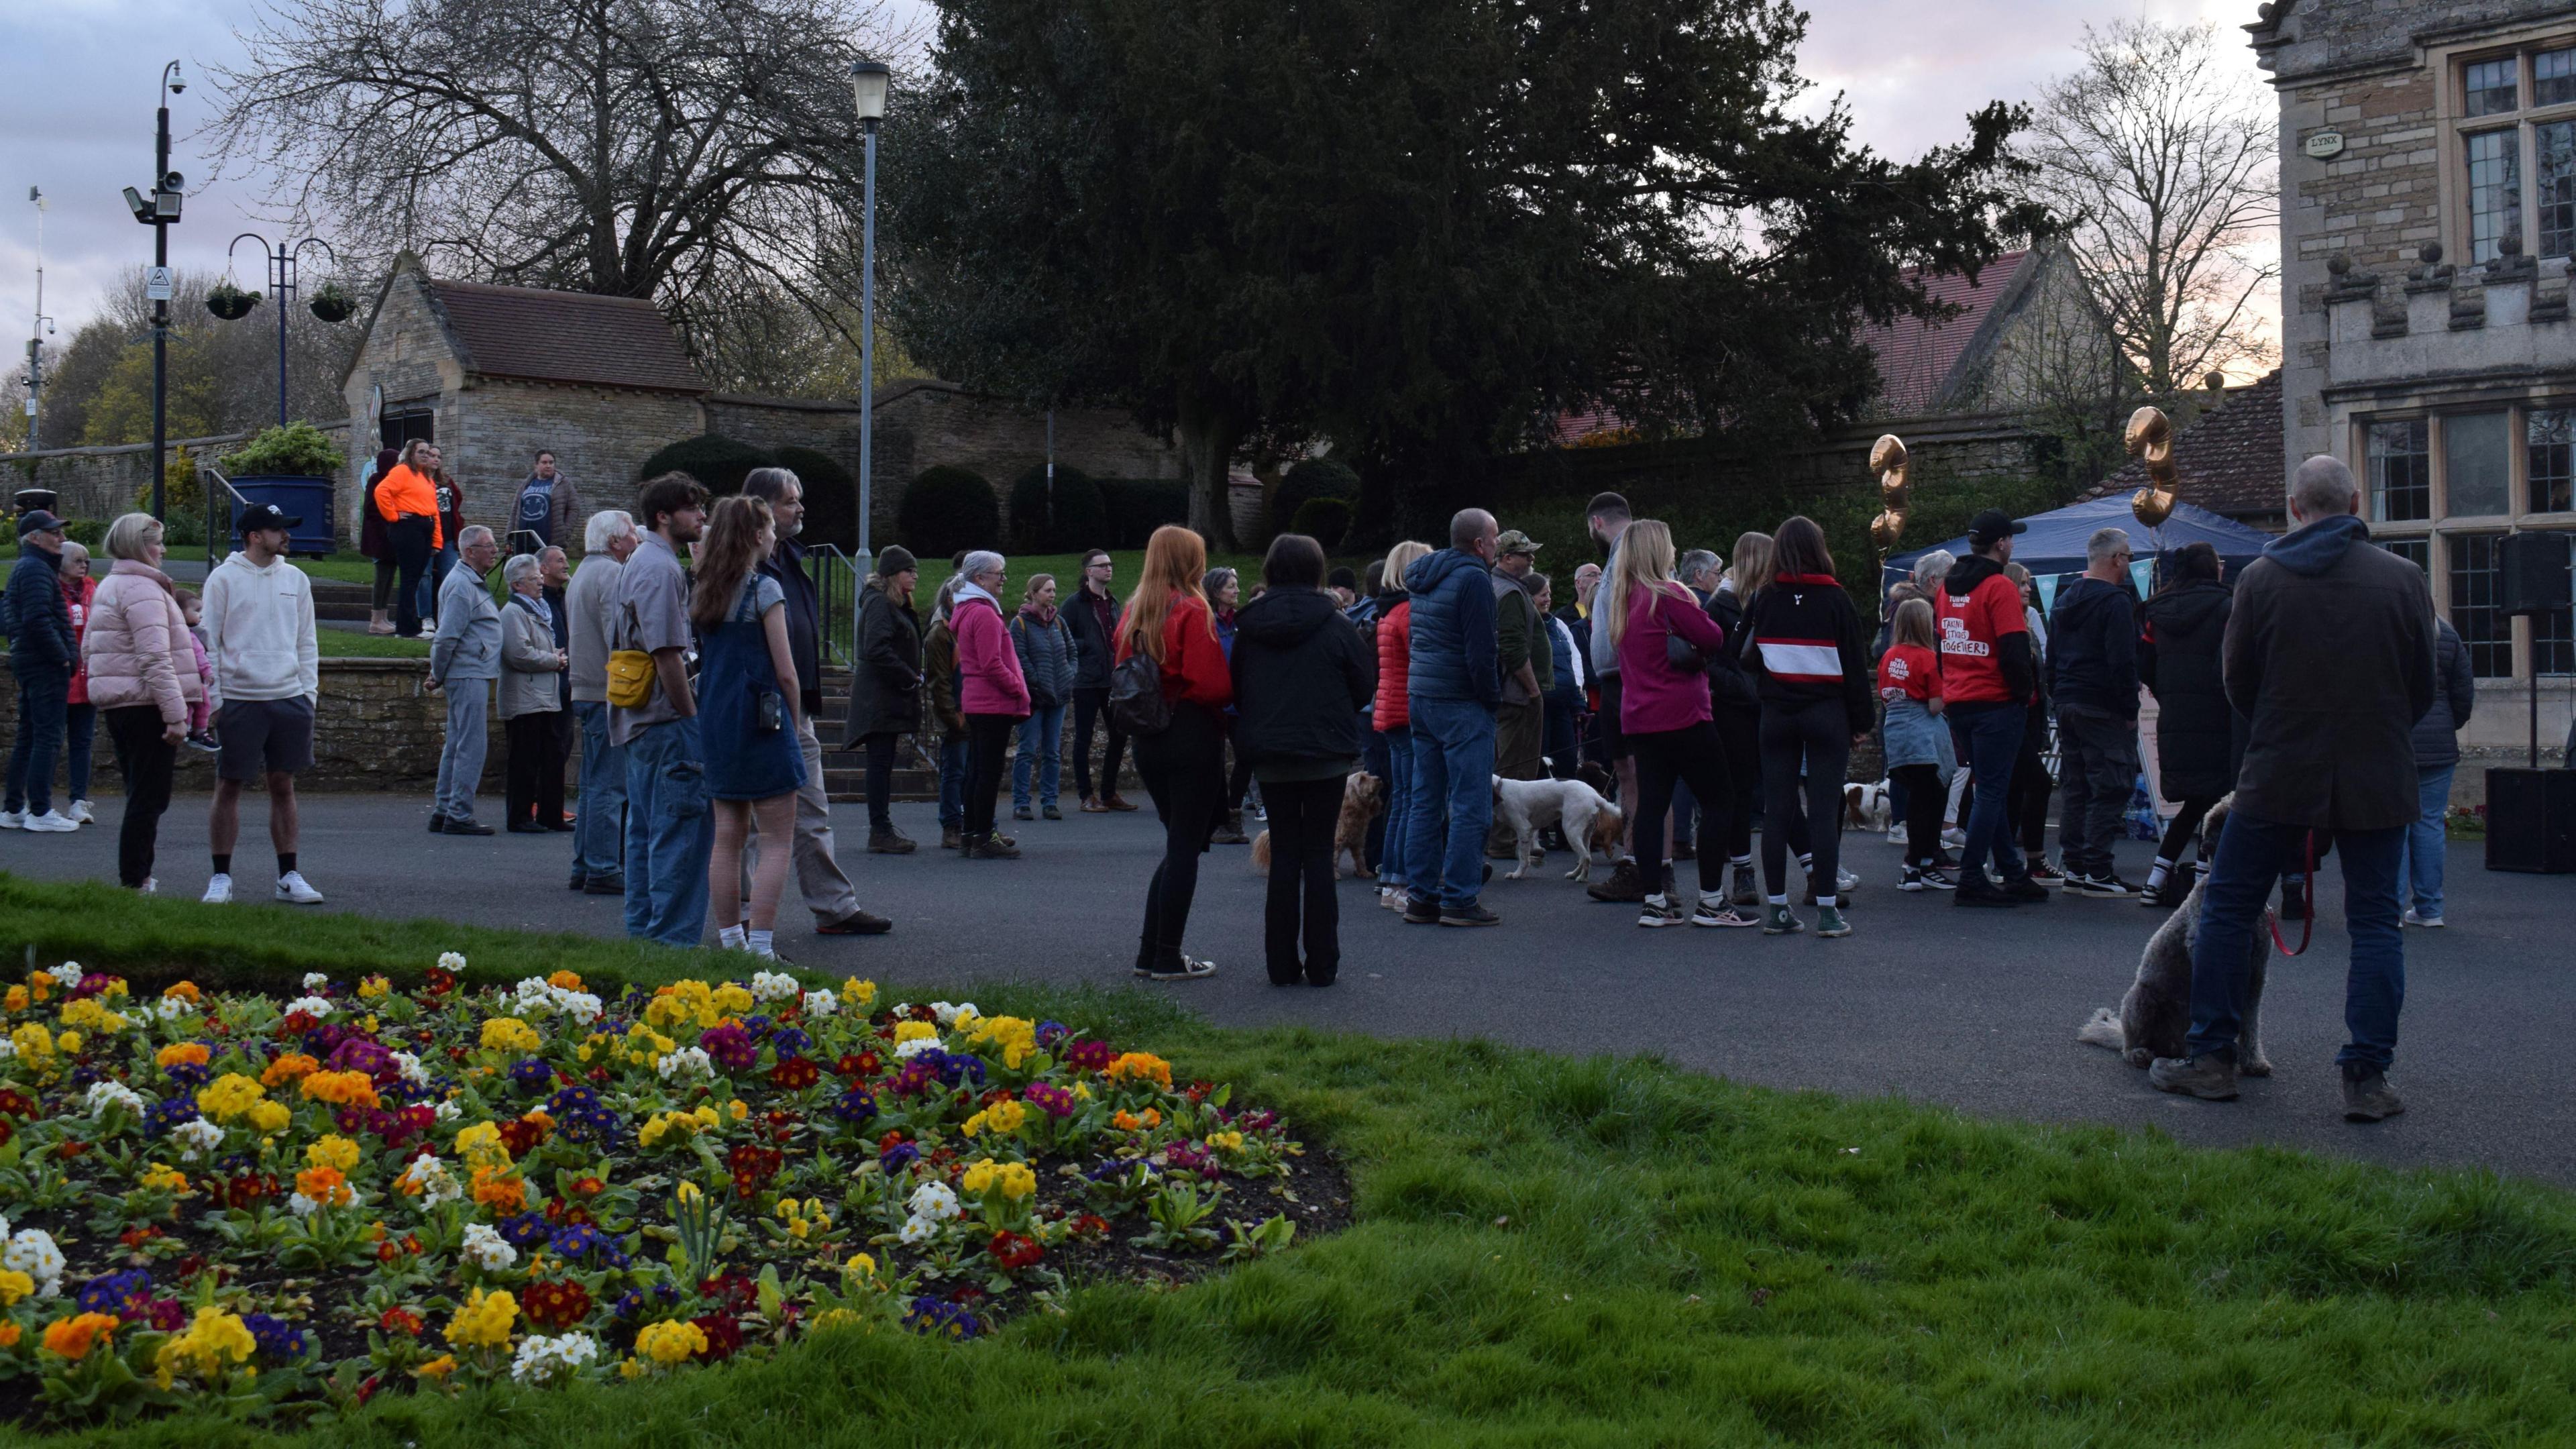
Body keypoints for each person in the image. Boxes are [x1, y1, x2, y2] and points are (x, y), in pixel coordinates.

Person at [2152, 455, 2435, 1122]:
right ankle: (2366, 1078)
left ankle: (2213, 1060)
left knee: (2226, 908)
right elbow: (2421, 684)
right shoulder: (2404, 580)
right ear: (2356, 502)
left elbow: (2237, 683)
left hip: (2279, 770)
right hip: (2375, 774)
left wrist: (2283, 729)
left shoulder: (2262, 579)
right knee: (2374, 924)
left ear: (2294, 507)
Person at [740, 468, 882, 934]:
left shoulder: (794, 559)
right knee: (752, 821)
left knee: (813, 809)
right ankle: (745, 918)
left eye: (799, 500)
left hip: (793, 705)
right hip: (758, 704)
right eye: (789, 501)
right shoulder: (743, 567)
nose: (800, 509)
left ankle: (835, 907)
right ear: (762, 507)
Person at [1231, 533, 1375, 984]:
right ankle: (1323, 963)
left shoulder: (1249, 628)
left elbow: (1239, 687)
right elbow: (1363, 685)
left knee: (1286, 856)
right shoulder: (1337, 626)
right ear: (1317, 571)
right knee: (1317, 856)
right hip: (1325, 754)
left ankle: (1280, 964)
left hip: (1271, 754)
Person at [1597, 520, 1756, 929]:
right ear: (1657, 552)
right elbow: (1714, 636)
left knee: (1651, 805)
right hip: (1684, 715)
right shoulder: (1667, 594)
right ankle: (1711, 900)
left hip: (1640, 717)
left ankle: (1655, 902)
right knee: (1721, 799)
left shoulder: (1622, 600)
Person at [676, 494, 805, 958]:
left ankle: (731, 939)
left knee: (726, 840)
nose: (774, 538)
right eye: (770, 530)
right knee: (776, 840)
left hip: (718, 720)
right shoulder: (764, 590)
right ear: (755, 536)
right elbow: (786, 672)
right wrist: (792, 723)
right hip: (762, 722)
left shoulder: (706, 589)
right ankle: (764, 945)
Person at [1739, 516, 1872, 936]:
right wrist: (1861, 721)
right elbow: (1855, 665)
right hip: (1826, 713)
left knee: (1777, 811)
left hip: (1777, 714)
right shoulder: (1837, 599)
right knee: (1822, 813)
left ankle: (1777, 909)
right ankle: (1829, 912)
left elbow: (1737, 650)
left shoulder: (1763, 598)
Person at [1116, 525, 1235, 979]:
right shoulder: (1189, 609)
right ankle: (1166, 954)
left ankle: (1152, 951)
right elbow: (1213, 685)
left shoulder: (1133, 613)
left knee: (1177, 845)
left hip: (1149, 736)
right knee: (1185, 849)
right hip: (1190, 731)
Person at [200, 502, 323, 904]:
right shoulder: (223, 579)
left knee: (283, 785)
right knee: (230, 784)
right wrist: (216, 698)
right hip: (240, 699)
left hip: (289, 698)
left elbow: (307, 640)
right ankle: (221, 878)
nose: (285, 535)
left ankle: (289, 875)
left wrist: (309, 694)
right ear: (255, 536)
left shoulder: (296, 578)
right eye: (277, 530)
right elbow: (209, 642)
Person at [613, 474, 716, 948]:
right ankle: (670, 943)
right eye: (693, 508)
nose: (702, 518)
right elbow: (667, 653)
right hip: (665, 722)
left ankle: (645, 939)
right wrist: (691, 715)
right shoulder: (660, 568)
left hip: (643, 721)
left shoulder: (645, 561)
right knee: (680, 837)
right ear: (664, 515)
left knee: (647, 833)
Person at [1937, 508, 2048, 908]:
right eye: (2011, 539)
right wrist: (2021, 695)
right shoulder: (1999, 587)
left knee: (1990, 787)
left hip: (1960, 699)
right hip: (1996, 701)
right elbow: (2015, 650)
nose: (2013, 544)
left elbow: (1943, 644)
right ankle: (1971, 877)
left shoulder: (1947, 587)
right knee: (1991, 792)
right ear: (2000, 543)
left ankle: (2012, 872)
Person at [83, 513, 197, 890]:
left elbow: (89, 648)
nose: (163, 549)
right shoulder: (142, 589)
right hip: (146, 706)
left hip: (122, 706)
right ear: (138, 545)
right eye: (157, 542)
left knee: (140, 794)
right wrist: (176, 714)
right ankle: (136, 880)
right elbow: (154, 657)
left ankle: (137, 877)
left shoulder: (110, 585)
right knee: (148, 800)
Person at [1402, 508, 1504, 927]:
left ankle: (1421, 897)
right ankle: (1460, 899)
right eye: (1496, 538)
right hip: (1461, 701)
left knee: (1425, 799)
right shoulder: (1476, 579)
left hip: (1422, 695)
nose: (1498, 545)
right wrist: (1492, 699)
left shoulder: (1425, 576)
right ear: (1480, 544)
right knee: (1470, 803)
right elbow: (1482, 652)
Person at [2138, 541, 2239, 909]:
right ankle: (2199, 883)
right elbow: (2232, 665)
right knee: (2214, 805)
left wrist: (2169, 695)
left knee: (2196, 804)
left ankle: (2155, 881)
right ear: (2213, 569)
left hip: (2175, 719)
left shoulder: (2157, 613)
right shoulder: (2228, 608)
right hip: (2217, 719)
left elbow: (2144, 665)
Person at [2049, 527, 2143, 897]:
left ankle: (2075, 867)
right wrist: (2130, 708)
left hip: (2069, 702)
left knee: (2076, 785)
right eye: (2129, 557)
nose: (2129, 564)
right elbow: (2123, 662)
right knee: (2113, 784)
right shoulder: (2116, 602)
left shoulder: (2065, 599)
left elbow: (2053, 658)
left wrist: (2057, 694)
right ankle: (2098, 870)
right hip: (2102, 705)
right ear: (2117, 559)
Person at [1581, 493, 1651, 903]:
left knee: (1642, 774)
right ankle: (1635, 863)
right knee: (1628, 774)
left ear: (1596, 522)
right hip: (1615, 679)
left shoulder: (1633, 546)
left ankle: (1646, 867)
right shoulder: (1616, 555)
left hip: (1629, 678)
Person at [566, 510, 637, 894]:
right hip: (606, 689)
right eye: (630, 534)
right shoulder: (611, 573)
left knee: (593, 785)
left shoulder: (583, 572)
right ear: (614, 541)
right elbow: (620, 633)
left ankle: (586, 863)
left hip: (585, 686)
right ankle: (604, 866)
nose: (636, 541)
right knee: (610, 786)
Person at [951, 550, 1031, 859]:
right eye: (999, 573)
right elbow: (992, 664)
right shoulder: (983, 613)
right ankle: (983, 836)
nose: (1004, 579)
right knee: (988, 773)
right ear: (979, 578)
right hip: (991, 703)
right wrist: (1019, 690)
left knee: (976, 771)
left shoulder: (969, 610)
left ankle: (971, 834)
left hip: (977, 701)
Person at [3, 510, 79, 833]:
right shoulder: (35, 569)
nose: (61, 539)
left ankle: (14, 809)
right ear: (35, 538)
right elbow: (37, 619)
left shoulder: (29, 567)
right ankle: (40, 811)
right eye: (54, 533)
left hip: (32, 660)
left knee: (30, 735)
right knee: (46, 737)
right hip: (43, 663)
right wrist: (62, 656)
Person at [845, 546, 924, 853]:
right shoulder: (880, 603)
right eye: (909, 570)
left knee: (883, 764)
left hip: (884, 697)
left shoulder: (891, 603)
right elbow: (876, 648)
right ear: (893, 574)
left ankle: (882, 829)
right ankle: (880, 830)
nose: (915, 575)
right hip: (878, 699)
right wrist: (908, 675)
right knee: (880, 764)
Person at [426, 524, 503, 835]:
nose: (495, 551)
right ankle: (458, 813)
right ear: (470, 551)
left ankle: (445, 809)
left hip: (469, 670)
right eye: (489, 545)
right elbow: (446, 637)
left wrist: (440, 673)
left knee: (458, 743)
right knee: (471, 746)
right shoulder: (462, 585)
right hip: (468, 671)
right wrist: (438, 673)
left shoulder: (469, 581)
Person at [2401, 613, 2473, 928]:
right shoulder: (2446, 633)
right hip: (2439, 741)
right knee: (2429, 823)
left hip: (2395, 741)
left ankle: (2390, 908)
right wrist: (2447, 725)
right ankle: (2430, 908)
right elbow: (2463, 692)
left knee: (2394, 827)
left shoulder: (2389, 627)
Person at [1878, 597, 1955, 892]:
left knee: (1916, 801)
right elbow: (1935, 706)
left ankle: (1917, 867)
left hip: (1896, 733)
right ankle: (1917, 865)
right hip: (1922, 734)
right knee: (1931, 801)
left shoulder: (1889, 655)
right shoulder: (1926, 657)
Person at [1371, 539, 1431, 910]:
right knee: (1414, 801)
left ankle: (1390, 878)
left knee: (1403, 799)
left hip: (1389, 711)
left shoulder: (1387, 611)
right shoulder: (1410, 611)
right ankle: (1401, 882)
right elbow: (1423, 658)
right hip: (1408, 712)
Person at [1486, 529, 1550, 858]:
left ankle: (1508, 839)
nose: (1531, 559)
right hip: (1517, 695)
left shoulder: (1505, 587)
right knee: (1515, 770)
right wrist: (1534, 689)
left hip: (1513, 693)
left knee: (1511, 768)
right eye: (1525, 554)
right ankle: (1504, 841)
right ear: (1506, 557)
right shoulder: (1508, 593)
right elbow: (1511, 648)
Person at [497, 551, 570, 833]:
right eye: (533, 579)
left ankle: (550, 815)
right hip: (525, 698)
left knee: (552, 757)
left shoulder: (538, 609)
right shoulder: (513, 612)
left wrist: (554, 656)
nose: (540, 583)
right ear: (517, 585)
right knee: (524, 761)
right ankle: (520, 817)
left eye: (540, 578)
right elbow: (518, 654)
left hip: (545, 696)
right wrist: (554, 660)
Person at [1065, 549, 1136, 813]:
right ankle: (1086, 795)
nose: (1109, 569)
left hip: (1112, 679)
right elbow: (1064, 636)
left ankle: (1108, 793)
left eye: (1110, 564)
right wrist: (1088, 648)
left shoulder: (1113, 602)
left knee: (1119, 734)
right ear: (1089, 572)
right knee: (1083, 738)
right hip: (1086, 680)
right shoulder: (1075, 603)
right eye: (1102, 565)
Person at [1010, 574, 1076, 821]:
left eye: (1054, 590)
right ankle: (1021, 802)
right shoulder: (1020, 623)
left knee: (1052, 752)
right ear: (1034, 593)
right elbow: (1019, 657)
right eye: (1048, 590)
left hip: (1058, 696)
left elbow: (1072, 652)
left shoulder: (1058, 622)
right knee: (1027, 750)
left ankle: (1050, 801)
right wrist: (1037, 681)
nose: (1052, 594)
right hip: (1034, 698)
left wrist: (1070, 674)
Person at [922, 578, 973, 851]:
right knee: (954, 773)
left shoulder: (962, 626)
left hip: (973, 710)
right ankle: (952, 826)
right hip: (958, 713)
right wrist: (954, 718)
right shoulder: (940, 633)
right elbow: (939, 682)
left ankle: (975, 824)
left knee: (969, 772)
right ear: (950, 599)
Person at [1205, 567, 1254, 843]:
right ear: (1215, 592)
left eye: (1236, 585)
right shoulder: (1206, 622)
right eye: (1230, 587)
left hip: (1238, 701)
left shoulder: (1240, 621)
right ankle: (1218, 822)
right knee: (1213, 763)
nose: (1236, 591)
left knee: (1246, 756)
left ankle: (1232, 813)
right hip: (1213, 701)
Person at [375, 440, 441, 638]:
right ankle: (408, 628)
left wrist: (437, 541)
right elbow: (382, 491)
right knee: (410, 579)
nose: (425, 456)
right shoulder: (402, 471)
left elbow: (433, 510)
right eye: (421, 452)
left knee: (415, 578)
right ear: (411, 453)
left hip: (424, 527)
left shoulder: (425, 477)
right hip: (409, 528)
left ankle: (409, 626)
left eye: (428, 453)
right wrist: (393, 516)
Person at [56, 540, 98, 826]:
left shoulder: (93, 591)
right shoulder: (51, 592)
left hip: (87, 680)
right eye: (77, 560)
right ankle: (40, 804)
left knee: (83, 742)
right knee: (49, 742)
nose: (84, 565)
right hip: (60, 678)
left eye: (86, 560)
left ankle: (78, 801)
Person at [1538, 574, 1586, 782]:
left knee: (1567, 762)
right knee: (1542, 763)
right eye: (1542, 595)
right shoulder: (1528, 626)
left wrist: (1578, 703)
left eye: (1549, 594)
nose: (1547, 599)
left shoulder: (1559, 626)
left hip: (1564, 706)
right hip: (1540, 708)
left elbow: (1573, 663)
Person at [418, 445, 465, 629]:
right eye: (432, 456)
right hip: (426, 537)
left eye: (439, 456)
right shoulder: (418, 480)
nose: (436, 459)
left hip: (447, 537)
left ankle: (448, 615)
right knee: (425, 576)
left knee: (451, 576)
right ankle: (426, 616)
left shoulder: (446, 481)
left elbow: (457, 500)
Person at [510, 450, 582, 557]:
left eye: (551, 463)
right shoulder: (527, 484)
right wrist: (509, 536)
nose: (548, 466)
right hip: (523, 539)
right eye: (544, 463)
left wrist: (565, 531)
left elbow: (574, 508)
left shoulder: (563, 483)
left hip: (548, 539)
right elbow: (515, 511)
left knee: (546, 571)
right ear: (536, 465)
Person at [360, 447, 400, 635]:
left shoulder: (394, 481)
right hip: (380, 537)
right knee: (382, 578)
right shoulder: (376, 481)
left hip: (391, 536)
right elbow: (371, 509)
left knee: (389, 577)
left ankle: (383, 616)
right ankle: (376, 619)